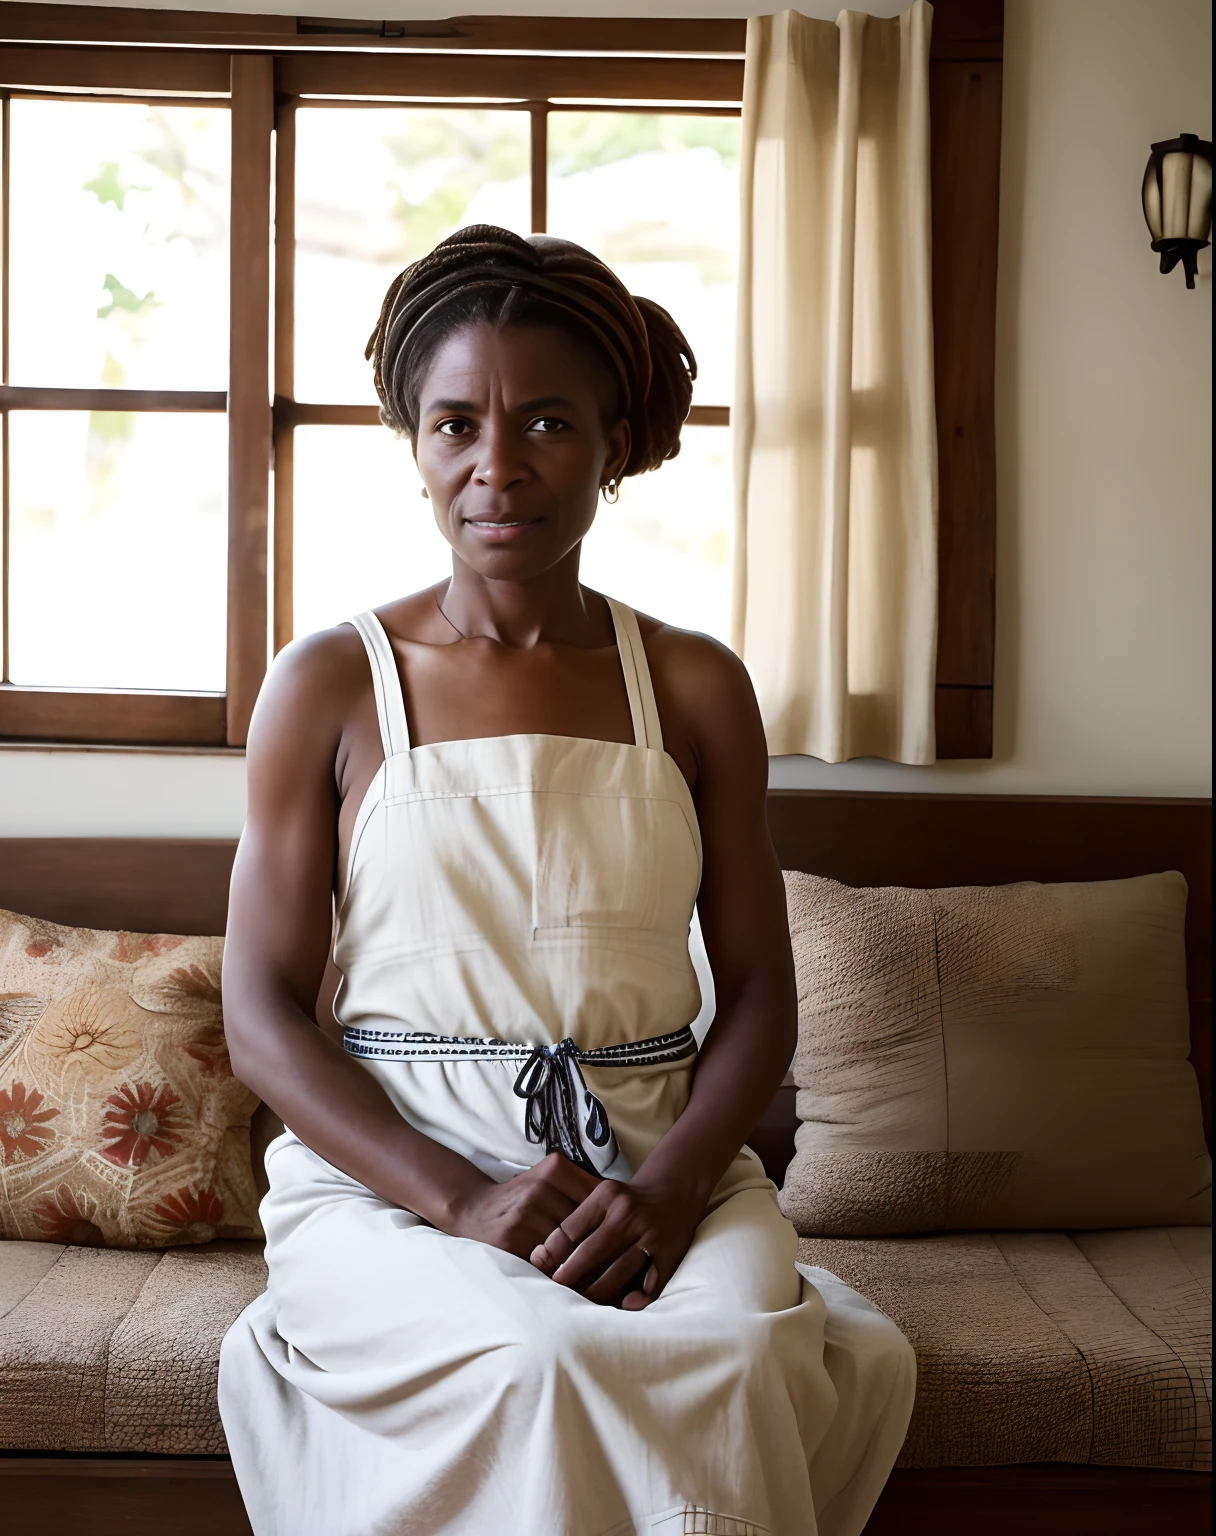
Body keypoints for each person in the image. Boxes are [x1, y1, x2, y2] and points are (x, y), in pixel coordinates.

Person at [218, 224, 914, 1536]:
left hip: (661, 1159)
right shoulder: (328, 686)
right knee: (540, 1358)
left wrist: (666, 1192)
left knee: (742, 1356)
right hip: (394, 1174)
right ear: (415, 444)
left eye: (543, 422)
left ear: (614, 441)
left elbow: (761, 991)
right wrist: (460, 1195)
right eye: (452, 424)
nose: (494, 465)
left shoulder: (696, 686)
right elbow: (257, 1010)